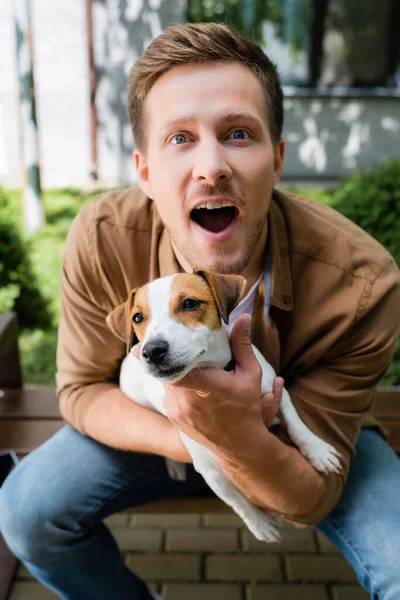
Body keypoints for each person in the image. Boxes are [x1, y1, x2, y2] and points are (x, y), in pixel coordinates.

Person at [1, 22, 399, 600]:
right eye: (179, 138)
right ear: (143, 171)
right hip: (157, 431)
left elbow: (310, 497)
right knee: (25, 511)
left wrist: (241, 438)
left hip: (300, 439)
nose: (211, 166)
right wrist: (192, 439)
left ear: (278, 158)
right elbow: (82, 391)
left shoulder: (364, 282)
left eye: (238, 133)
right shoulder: (101, 237)